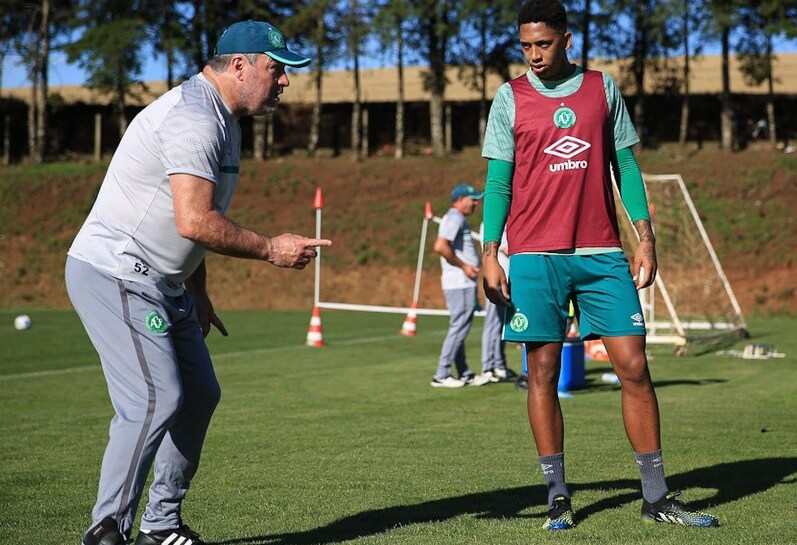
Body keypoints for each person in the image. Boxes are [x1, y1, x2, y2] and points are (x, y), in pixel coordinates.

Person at [67, 20, 331, 545]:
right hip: (116, 270)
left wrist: (198, 288)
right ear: (240, 66)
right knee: (153, 398)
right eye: (277, 70)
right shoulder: (194, 118)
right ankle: (105, 531)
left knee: (199, 394)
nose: (284, 82)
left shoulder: (226, 119)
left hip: (166, 281)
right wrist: (270, 248)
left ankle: (160, 527)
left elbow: (190, 220)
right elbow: (194, 221)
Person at [480, 0, 719, 531]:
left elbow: (626, 166)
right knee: (541, 373)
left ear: (567, 39)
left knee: (634, 366)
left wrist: (645, 237)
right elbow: (498, 183)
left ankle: (656, 496)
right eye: (526, 46)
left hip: (602, 253)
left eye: (543, 44)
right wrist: (490, 253)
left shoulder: (601, 89)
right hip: (535, 256)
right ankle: (558, 495)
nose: (534, 55)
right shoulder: (510, 98)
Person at [430, 183, 491, 388]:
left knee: (461, 325)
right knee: (459, 326)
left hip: (461, 281)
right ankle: (441, 373)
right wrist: (464, 266)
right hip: (459, 282)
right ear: (460, 199)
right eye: (472, 199)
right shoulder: (455, 218)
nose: (475, 203)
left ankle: (464, 372)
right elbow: (440, 246)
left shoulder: (456, 218)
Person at [478, 223, 515, 383]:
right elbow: (508, 249)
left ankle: (499, 365)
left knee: (500, 326)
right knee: (492, 325)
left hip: (505, 280)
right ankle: (488, 367)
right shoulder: (492, 225)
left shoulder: (503, 223)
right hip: (497, 281)